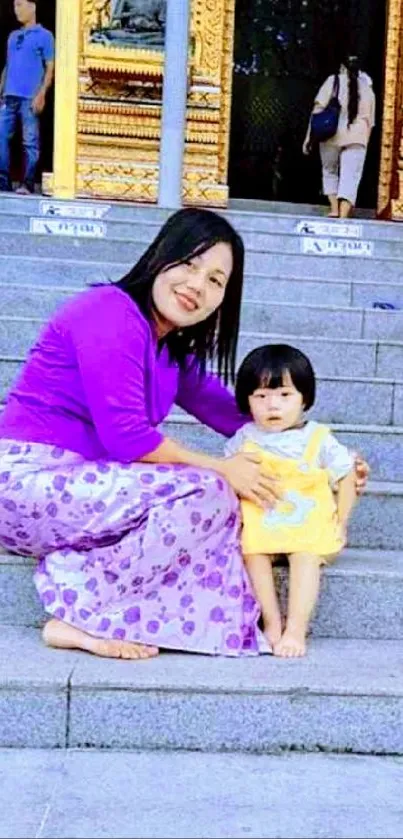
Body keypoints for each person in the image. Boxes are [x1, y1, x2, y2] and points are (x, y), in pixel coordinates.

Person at [0, 209, 368, 661]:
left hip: (88, 491)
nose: (198, 285)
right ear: (160, 257)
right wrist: (223, 467)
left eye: (216, 280)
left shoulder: (171, 350)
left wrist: (318, 455)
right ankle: (77, 609)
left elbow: (239, 416)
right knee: (211, 487)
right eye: (190, 264)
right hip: (26, 483)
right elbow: (129, 439)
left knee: (223, 493)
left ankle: (98, 609)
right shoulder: (109, 313)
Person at [225, 344, 357, 658]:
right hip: (263, 523)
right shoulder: (244, 438)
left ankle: (296, 628)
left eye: (285, 395)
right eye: (260, 396)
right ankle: (271, 622)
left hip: (308, 523)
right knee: (253, 555)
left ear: (304, 399)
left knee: (305, 556)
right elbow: (229, 476)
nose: (273, 405)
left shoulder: (318, 438)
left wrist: (342, 521)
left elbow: (347, 475)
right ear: (247, 401)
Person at [303, 55, 375, 219]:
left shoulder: (332, 81)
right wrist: (365, 143)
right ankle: (343, 217)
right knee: (350, 177)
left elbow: (317, 110)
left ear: (342, 67)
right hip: (357, 138)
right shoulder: (368, 89)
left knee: (329, 171)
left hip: (331, 135)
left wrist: (308, 138)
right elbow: (370, 123)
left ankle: (334, 209)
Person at [0, 0, 55, 194]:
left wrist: (42, 94)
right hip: (9, 96)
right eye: (15, 5)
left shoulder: (45, 36)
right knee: (1, 136)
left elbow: (50, 67)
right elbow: (8, 65)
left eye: (21, 5)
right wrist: (1, 90)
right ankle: (3, 182)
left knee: (30, 141)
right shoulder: (13, 36)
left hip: (29, 96)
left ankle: (28, 182)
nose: (17, 10)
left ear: (33, 7)